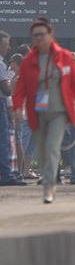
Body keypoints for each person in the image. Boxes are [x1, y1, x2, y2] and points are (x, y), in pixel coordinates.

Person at [12, 19, 75, 203]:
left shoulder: (65, 57)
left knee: (53, 145)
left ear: (50, 35)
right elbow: (20, 88)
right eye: (35, 35)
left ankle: (49, 185)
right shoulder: (29, 61)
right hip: (37, 112)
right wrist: (16, 107)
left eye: (42, 34)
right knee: (44, 149)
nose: (39, 38)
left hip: (59, 111)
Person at [0, 30, 17, 186]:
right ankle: (6, 174)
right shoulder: (0, 64)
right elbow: (5, 90)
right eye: (6, 44)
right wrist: (12, 87)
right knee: (3, 140)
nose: (8, 47)